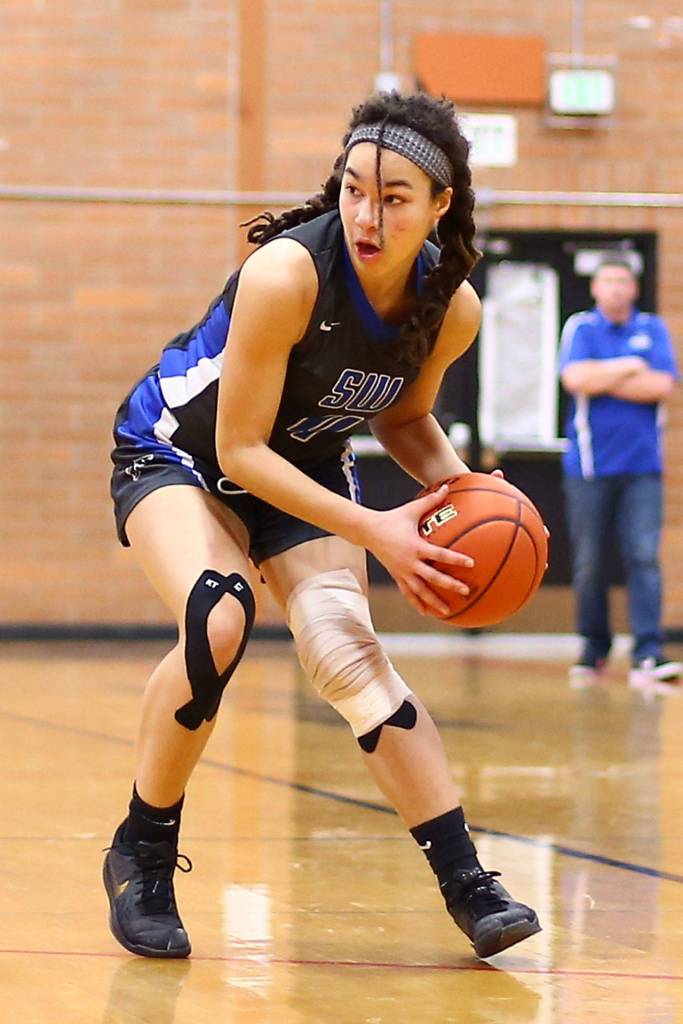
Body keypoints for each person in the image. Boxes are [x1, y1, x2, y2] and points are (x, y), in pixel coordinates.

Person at [102, 91, 540, 961]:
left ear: (439, 205)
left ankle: (466, 881)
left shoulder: (448, 307)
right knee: (219, 615)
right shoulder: (288, 273)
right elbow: (238, 447)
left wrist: (468, 497)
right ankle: (141, 852)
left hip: (296, 465)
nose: (366, 215)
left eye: (393, 198)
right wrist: (379, 528)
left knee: (346, 648)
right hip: (179, 453)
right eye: (352, 190)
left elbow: (402, 421)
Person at [559, 257, 681, 689]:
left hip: (643, 469)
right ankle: (594, 650)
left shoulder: (654, 329)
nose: (614, 288)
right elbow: (576, 379)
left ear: (634, 287)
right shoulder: (581, 329)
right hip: (590, 467)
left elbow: (661, 386)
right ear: (595, 289)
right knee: (590, 562)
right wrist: (629, 367)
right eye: (607, 281)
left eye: (622, 281)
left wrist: (605, 376)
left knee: (644, 557)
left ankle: (648, 652)